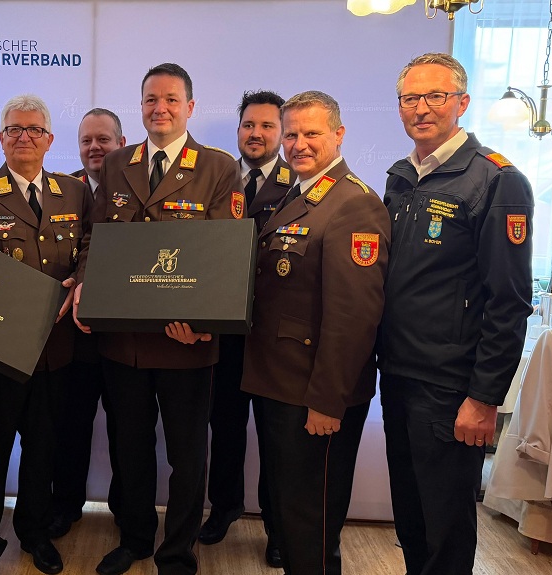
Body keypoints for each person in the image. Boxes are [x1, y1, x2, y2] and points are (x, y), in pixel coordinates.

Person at [72, 62, 242, 575]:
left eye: (170, 99)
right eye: (150, 99)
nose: (159, 108)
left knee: (187, 457)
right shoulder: (117, 162)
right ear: (141, 106)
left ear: (190, 106)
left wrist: (205, 322)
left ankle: (177, 552)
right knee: (131, 448)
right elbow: (95, 238)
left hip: (185, 340)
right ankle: (136, 539)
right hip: (124, 340)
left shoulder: (217, 167)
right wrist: (84, 285)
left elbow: (224, 253)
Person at [378, 53, 534, 575]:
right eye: (410, 98)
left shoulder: (496, 180)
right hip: (397, 374)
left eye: (435, 96)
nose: (421, 108)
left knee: (445, 527)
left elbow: (509, 300)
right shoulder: (401, 177)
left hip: (451, 387)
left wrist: (484, 398)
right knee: (411, 517)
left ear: (462, 103)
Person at [241, 90, 390, 575]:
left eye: (312, 133)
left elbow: (354, 317)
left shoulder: (354, 204)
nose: (299, 144)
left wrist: (328, 400)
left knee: (312, 523)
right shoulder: (299, 192)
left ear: (339, 135)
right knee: (291, 515)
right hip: (281, 383)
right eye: (291, 135)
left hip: (315, 394)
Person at [0, 94, 89, 575]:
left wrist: (82, 278)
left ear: (49, 139)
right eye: (14, 129)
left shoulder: (74, 193)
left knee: (43, 451)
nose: (24, 137)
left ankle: (34, 533)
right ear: (1, 138)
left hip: (54, 350)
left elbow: (91, 244)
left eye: (34, 130)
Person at [199, 90, 292, 568]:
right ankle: (224, 508)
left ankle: (277, 527)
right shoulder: (218, 179)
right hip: (224, 329)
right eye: (249, 125)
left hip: (272, 333)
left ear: (282, 132)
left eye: (267, 126)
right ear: (238, 130)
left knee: (276, 436)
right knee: (225, 425)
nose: (256, 134)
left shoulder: (300, 182)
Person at [49, 107, 125, 539]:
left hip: (123, 335)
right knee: (70, 427)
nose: (94, 148)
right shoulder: (64, 191)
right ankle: (65, 506)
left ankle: (126, 510)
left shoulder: (136, 187)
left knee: (126, 431)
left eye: (103, 140)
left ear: (121, 143)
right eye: (86, 141)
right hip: (73, 337)